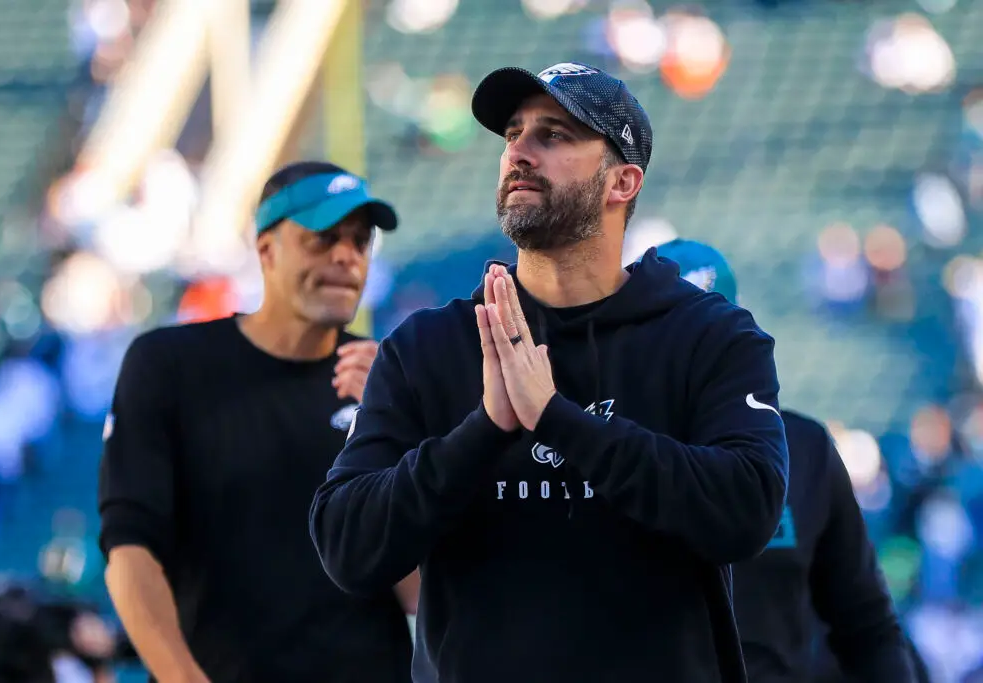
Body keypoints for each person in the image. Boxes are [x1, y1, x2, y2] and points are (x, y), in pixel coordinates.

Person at [310, 62, 789, 683]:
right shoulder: (430, 345)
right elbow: (347, 547)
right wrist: (484, 430)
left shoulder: (711, 337)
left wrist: (560, 421)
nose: (519, 153)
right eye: (513, 134)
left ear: (622, 181)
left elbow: (746, 511)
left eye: (554, 135)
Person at [98, 161, 418, 683]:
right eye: (322, 237)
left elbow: (419, 591)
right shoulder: (170, 365)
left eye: (361, 242)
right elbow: (130, 549)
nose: (346, 256)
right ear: (266, 249)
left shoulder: (388, 381)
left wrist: (400, 429)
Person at [656, 238, 918, 683]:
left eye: (710, 327)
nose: (696, 348)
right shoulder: (609, 448)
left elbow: (866, 625)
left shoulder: (804, 448)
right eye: (676, 329)